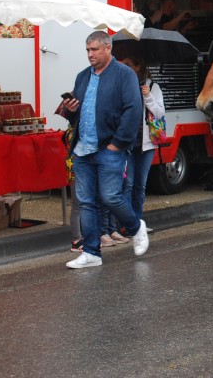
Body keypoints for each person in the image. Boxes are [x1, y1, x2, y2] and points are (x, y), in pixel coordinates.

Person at [60, 31, 149, 268]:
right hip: (82, 150)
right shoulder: (82, 77)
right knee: (86, 202)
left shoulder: (124, 74)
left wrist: (116, 145)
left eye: (95, 49)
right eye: (88, 50)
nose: (90, 54)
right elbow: (76, 116)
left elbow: (133, 110)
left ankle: (135, 226)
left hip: (109, 148)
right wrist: (70, 109)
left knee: (110, 196)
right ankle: (91, 252)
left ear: (108, 48)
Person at [120, 54, 165, 222]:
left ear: (138, 67)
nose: (124, 68)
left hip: (146, 144)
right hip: (128, 144)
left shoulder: (152, 87)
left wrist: (148, 97)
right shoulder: (124, 86)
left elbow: (160, 113)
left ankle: (137, 221)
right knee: (128, 183)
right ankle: (127, 223)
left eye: (128, 64)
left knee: (140, 185)